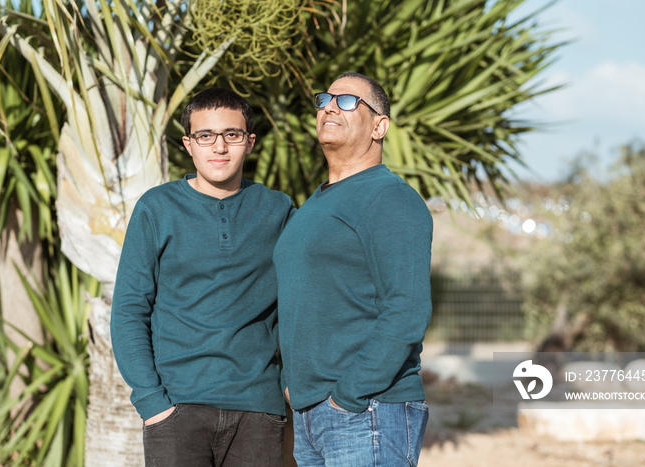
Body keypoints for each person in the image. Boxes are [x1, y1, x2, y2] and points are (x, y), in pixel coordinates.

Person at [110, 87, 294, 466]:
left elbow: (303, 301)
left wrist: (290, 386)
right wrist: (152, 403)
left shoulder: (277, 209)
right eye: (205, 136)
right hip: (177, 409)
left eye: (232, 135)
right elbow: (129, 309)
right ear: (188, 144)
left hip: (258, 409)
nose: (219, 147)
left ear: (250, 142)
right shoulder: (156, 208)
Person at [273, 72, 433, 466]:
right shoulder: (313, 206)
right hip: (312, 416)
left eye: (347, 101)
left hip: (367, 413)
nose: (329, 105)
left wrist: (348, 396)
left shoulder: (390, 198)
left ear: (380, 125)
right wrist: (292, 385)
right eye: (325, 99)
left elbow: (407, 310)